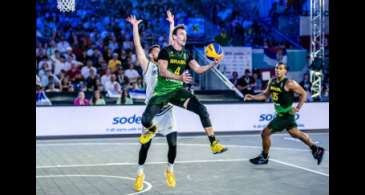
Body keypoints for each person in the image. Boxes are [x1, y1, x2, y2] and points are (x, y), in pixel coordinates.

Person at [140, 21, 228, 155]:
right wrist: (180, 78)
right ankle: (152, 129)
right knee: (145, 120)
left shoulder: (187, 54)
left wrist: (212, 64)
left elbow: (198, 69)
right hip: (162, 92)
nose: (184, 36)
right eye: (181, 34)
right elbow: (163, 72)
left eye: (185, 34)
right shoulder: (165, 52)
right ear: (174, 37)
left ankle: (214, 143)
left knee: (202, 110)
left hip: (177, 91)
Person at [127, 11, 178, 192]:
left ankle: (169, 170)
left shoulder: (168, 64)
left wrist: (172, 23)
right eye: (156, 50)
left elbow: (172, 43)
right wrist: (135, 27)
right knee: (145, 146)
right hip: (152, 112)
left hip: (168, 111)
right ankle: (140, 173)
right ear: (151, 55)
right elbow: (138, 46)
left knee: (173, 144)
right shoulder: (148, 66)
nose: (159, 50)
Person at [244, 63, 325, 165]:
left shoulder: (290, 83)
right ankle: (316, 149)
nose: (278, 70)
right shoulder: (272, 81)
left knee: (265, 133)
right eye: (277, 68)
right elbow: (265, 95)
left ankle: (264, 157)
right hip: (282, 115)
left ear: (285, 71)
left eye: (281, 68)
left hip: (285, 115)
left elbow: (303, 93)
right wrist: (253, 97)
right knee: (295, 133)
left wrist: (298, 108)